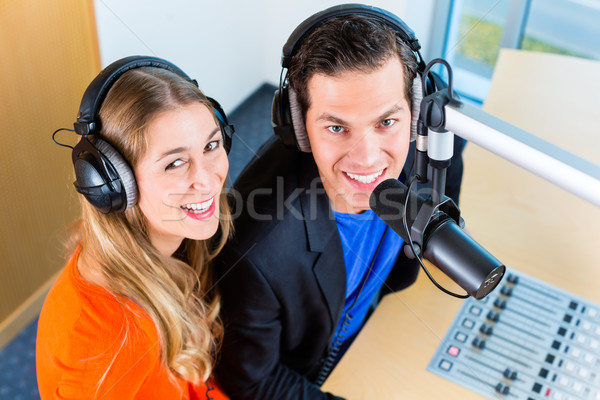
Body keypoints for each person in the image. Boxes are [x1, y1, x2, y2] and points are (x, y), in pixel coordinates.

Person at [213, 4, 465, 400]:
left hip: (379, 327)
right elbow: (251, 381)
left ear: (416, 112)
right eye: (336, 127)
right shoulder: (254, 252)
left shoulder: (430, 148)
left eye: (386, 122)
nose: (367, 159)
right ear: (298, 126)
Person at [36, 56, 234, 399]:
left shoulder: (162, 248)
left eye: (211, 145)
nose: (207, 180)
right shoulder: (102, 354)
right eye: (175, 163)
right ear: (112, 184)